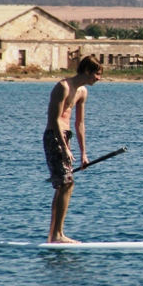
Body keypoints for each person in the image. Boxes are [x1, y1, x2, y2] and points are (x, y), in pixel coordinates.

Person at [43, 55, 102, 243]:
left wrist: (84, 153)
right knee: (65, 183)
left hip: (65, 138)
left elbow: (80, 124)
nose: (99, 78)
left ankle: (55, 234)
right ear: (87, 71)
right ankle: (56, 235)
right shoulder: (63, 87)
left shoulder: (82, 92)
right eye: (97, 74)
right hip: (54, 137)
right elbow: (54, 119)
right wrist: (63, 147)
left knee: (67, 184)